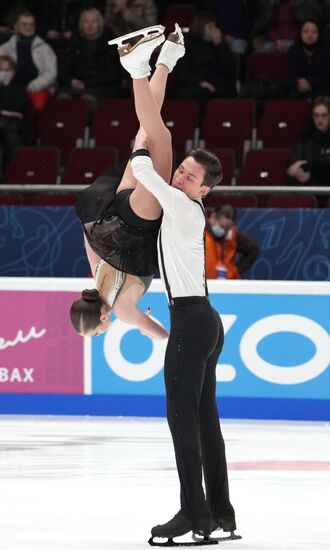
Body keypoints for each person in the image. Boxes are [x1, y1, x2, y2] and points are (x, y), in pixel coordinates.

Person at [113, 27, 240, 545]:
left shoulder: (185, 208)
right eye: (183, 170)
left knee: (180, 418)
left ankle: (194, 514)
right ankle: (221, 513)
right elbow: (151, 166)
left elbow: (146, 168)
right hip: (202, 319)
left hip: (191, 320)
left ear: (203, 190)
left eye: (190, 175)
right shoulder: (183, 204)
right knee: (204, 420)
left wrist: (143, 148)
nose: (182, 176)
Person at [70, 23, 185, 340]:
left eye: (97, 333)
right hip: (114, 211)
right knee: (147, 133)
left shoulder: (121, 310)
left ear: (103, 318)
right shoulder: (97, 280)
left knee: (160, 137)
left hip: (138, 221)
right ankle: (168, 57)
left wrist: (142, 326)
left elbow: (164, 335)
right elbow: (88, 234)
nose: (102, 333)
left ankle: (136, 68)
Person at [57, 7, 122, 115]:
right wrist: (71, 81)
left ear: (99, 23)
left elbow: (112, 74)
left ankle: (86, 130)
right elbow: (64, 70)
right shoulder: (74, 43)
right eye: (86, 21)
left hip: (101, 87)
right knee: (62, 99)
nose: (90, 25)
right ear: (81, 24)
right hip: (77, 85)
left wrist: (87, 83)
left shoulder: (110, 44)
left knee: (86, 101)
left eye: (94, 21)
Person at [174, 11, 236, 115]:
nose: (214, 31)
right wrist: (200, 82)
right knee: (203, 95)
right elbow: (181, 72)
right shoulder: (187, 44)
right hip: (193, 83)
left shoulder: (218, 43)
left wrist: (220, 45)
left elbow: (228, 67)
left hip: (215, 82)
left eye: (214, 27)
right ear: (201, 28)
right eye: (210, 27)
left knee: (229, 91)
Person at [0, 11, 57, 111]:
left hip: (35, 87)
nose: (28, 27)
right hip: (10, 86)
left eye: (31, 24)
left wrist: (31, 87)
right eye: (24, 24)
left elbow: (51, 74)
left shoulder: (45, 48)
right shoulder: (6, 48)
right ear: (16, 26)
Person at [205, 204, 259, 280]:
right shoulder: (199, 232)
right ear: (213, 217)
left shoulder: (233, 235)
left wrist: (236, 270)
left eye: (227, 229)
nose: (223, 231)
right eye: (221, 226)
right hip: (204, 284)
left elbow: (253, 249)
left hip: (228, 284)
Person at [287, 95, 330, 186]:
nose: (320, 120)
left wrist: (308, 164)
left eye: (324, 115)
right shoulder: (306, 135)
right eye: (316, 115)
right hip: (309, 181)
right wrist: (298, 167)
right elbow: (294, 160)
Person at [285, 19, 330, 99]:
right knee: (291, 93)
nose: (310, 35)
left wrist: (310, 83)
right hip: (299, 86)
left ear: (319, 34)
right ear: (300, 34)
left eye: (314, 32)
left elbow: (325, 75)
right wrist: (302, 83)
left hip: (321, 86)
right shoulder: (293, 50)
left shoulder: (326, 51)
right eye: (305, 31)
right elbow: (293, 74)